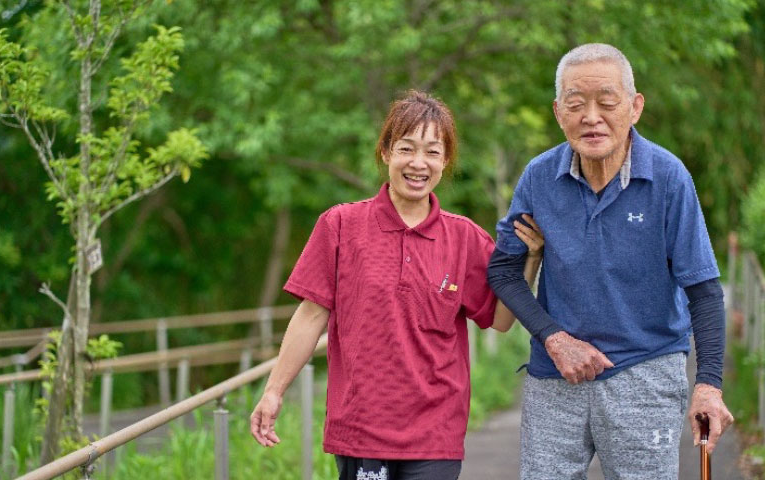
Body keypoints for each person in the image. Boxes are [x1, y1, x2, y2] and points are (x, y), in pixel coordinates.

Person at [250, 90, 544, 480]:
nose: (418, 163)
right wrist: (273, 392)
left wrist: (532, 258)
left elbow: (502, 319)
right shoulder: (340, 226)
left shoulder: (466, 239)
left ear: (445, 161)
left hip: (436, 433)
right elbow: (310, 317)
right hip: (361, 429)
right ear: (386, 152)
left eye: (433, 152)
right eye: (407, 148)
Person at [487, 43, 734, 479]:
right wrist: (553, 338)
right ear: (558, 112)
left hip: (646, 372)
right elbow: (504, 270)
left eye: (607, 101)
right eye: (576, 104)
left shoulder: (669, 177)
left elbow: (704, 289)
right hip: (554, 376)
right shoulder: (538, 177)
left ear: (635, 107)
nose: (591, 116)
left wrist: (708, 386)